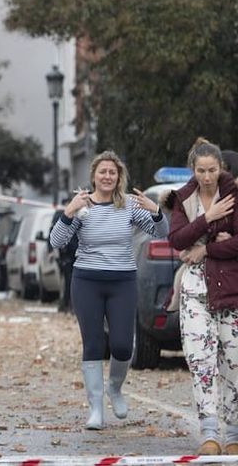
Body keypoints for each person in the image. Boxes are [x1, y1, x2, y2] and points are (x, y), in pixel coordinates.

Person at [50, 150, 168, 430]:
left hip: (122, 281)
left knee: (122, 345)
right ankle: (95, 408)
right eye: (102, 172)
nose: (107, 176)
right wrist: (68, 213)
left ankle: (115, 388)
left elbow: (162, 233)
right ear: (93, 176)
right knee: (93, 344)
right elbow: (57, 241)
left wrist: (156, 211)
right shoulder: (82, 205)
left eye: (112, 172)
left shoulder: (127, 205)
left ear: (119, 178)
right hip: (87, 281)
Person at [168, 137, 238, 456]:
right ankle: (209, 433)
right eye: (201, 171)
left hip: (235, 290)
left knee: (234, 365)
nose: (207, 177)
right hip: (195, 290)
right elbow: (177, 238)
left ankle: (233, 435)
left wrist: (207, 248)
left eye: (212, 170)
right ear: (193, 170)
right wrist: (207, 219)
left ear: (221, 168)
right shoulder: (182, 198)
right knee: (200, 361)